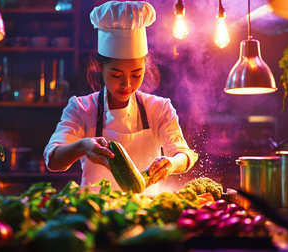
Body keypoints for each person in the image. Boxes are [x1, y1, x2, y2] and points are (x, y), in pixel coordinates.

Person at [44, 1, 198, 193]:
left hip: (146, 211)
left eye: (136, 74)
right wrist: (83, 146)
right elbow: (53, 160)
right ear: (100, 67)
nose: (127, 84)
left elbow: (183, 154)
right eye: (116, 75)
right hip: (96, 214)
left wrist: (172, 163)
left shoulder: (159, 108)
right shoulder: (81, 108)